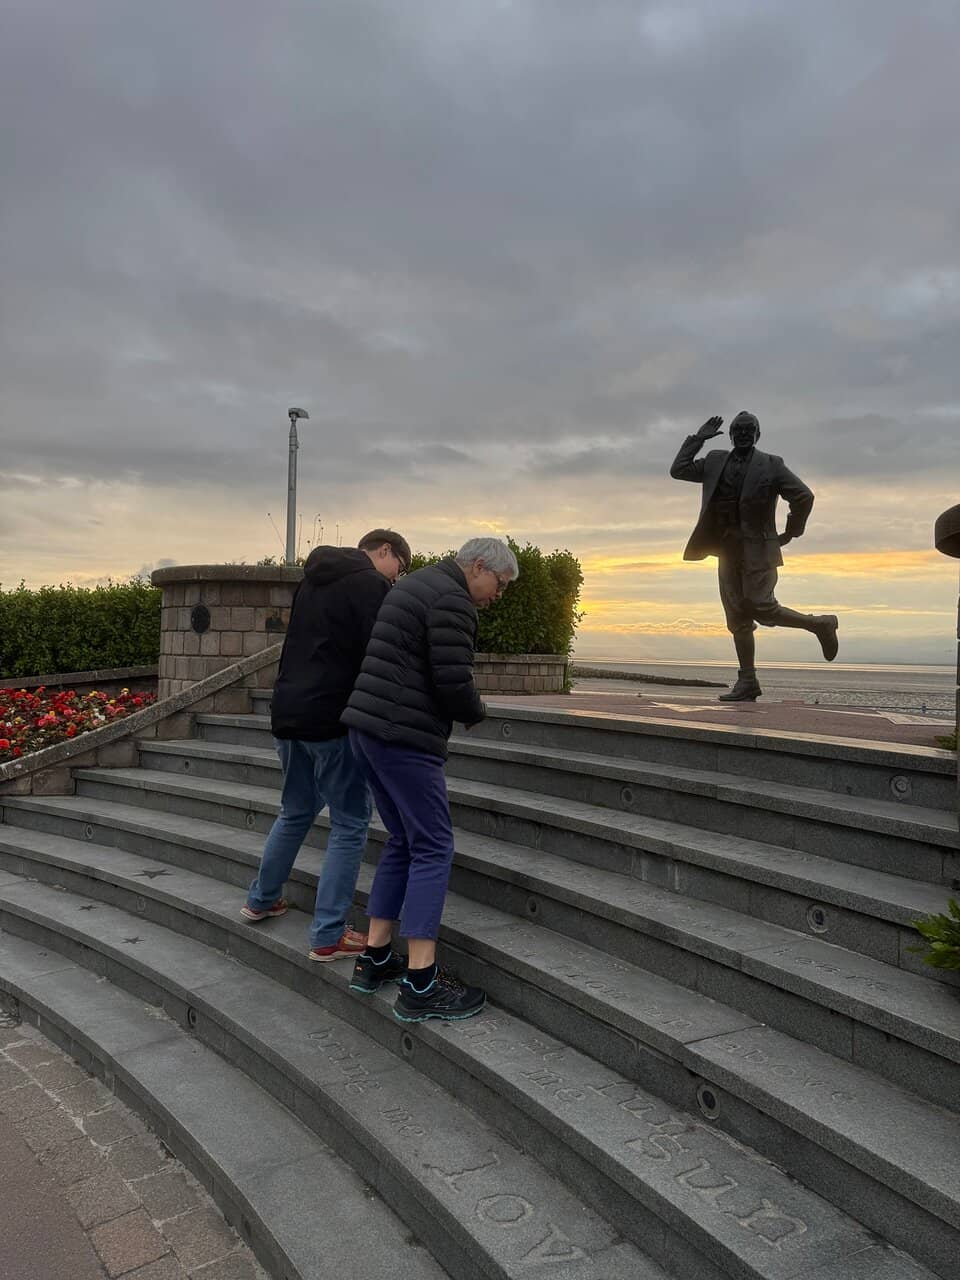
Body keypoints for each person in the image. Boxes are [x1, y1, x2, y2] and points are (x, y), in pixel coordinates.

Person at [342, 536, 519, 1022]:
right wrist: (475, 712)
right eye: (498, 584)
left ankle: (374, 958)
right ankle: (421, 982)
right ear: (479, 566)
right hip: (403, 736)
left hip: (369, 728)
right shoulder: (453, 599)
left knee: (402, 840)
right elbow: (452, 678)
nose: (496, 595)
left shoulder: (415, 584)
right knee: (434, 846)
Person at [241, 528, 411, 960]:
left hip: (288, 712)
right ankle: (329, 933)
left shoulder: (312, 579)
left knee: (295, 810)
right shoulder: (370, 584)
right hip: (332, 718)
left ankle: (262, 899)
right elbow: (379, 653)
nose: (397, 579)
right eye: (400, 569)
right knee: (351, 821)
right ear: (385, 550)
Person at [670, 411, 838, 702]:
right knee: (737, 616)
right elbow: (679, 469)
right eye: (739, 429)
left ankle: (819, 624)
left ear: (758, 435)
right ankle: (748, 681)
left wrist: (790, 532)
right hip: (725, 550)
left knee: (761, 606)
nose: (744, 433)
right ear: (731, 434)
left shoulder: (771, 465)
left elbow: (803, 496)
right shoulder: (714, 460)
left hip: (758, 550)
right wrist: (699, 439)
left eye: (750, 429)